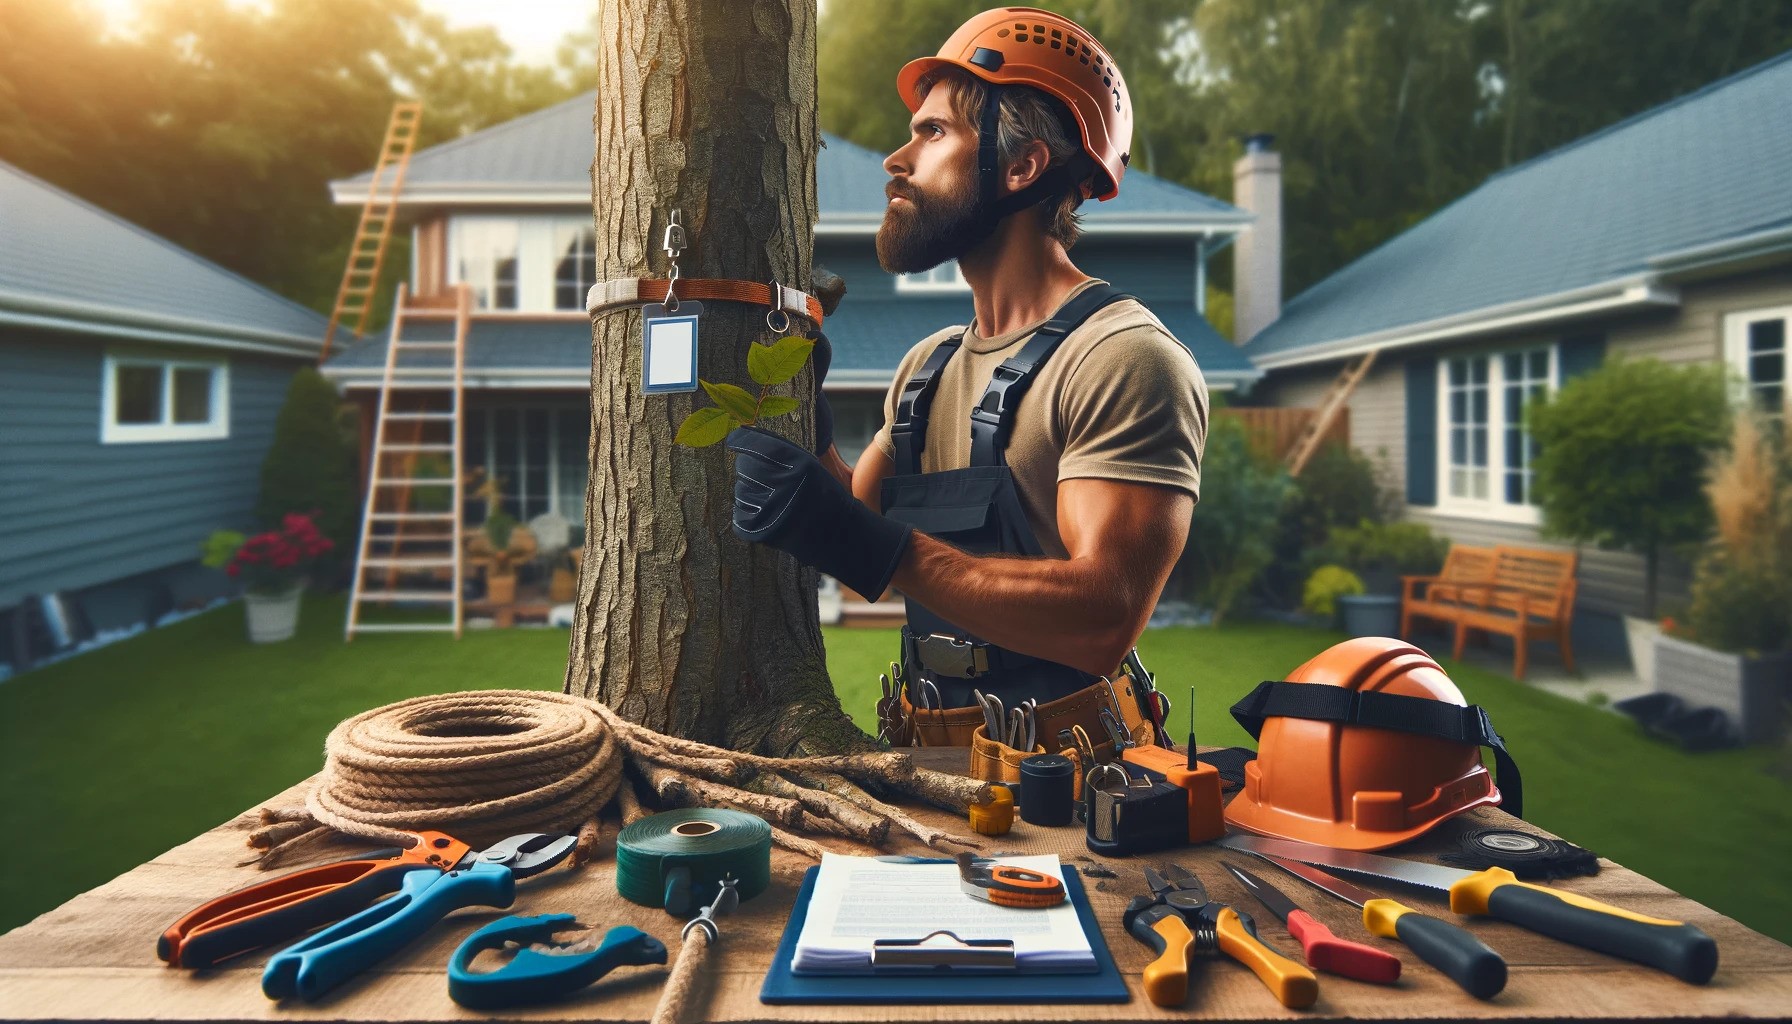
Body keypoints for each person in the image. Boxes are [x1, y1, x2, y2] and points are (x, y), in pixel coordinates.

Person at [726, 7, 1207, 755]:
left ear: (1022, 167)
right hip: (928, 746)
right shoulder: (929, 366)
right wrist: (810, 436)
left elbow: (1103, 616)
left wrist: (878, 548)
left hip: (1073, 766)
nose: (896, 158)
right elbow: (855, 526)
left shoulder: (1123, 358)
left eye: (934, 132)